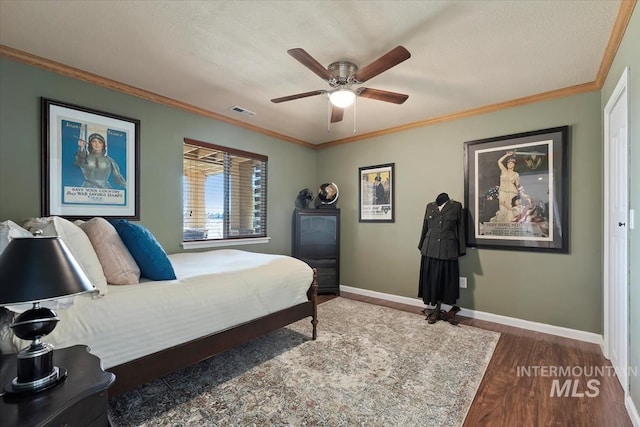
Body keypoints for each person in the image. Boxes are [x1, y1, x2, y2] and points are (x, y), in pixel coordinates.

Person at [417, 192, 466, 324]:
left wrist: (461, 249)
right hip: (429, 248)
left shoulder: (455, 207)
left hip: (447, 250)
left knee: (444, 280)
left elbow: (460, 228)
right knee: (431, 279)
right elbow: (425, 227)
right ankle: (434, 307)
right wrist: (422, 245)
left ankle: (441, 309)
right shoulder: (430, 206)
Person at [490, 151, 522, 222]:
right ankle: (502, 223)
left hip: (512, 192)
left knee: (510, 209)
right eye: (508, 162)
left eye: (512, 163)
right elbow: (499, 161)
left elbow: (518, 185)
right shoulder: (503, 170)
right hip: (502, 191)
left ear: (514, 165)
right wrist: (507, 155)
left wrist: (521, 194)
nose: (510, 164)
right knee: (503, 210)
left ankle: (510, 224)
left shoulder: (515, 174)